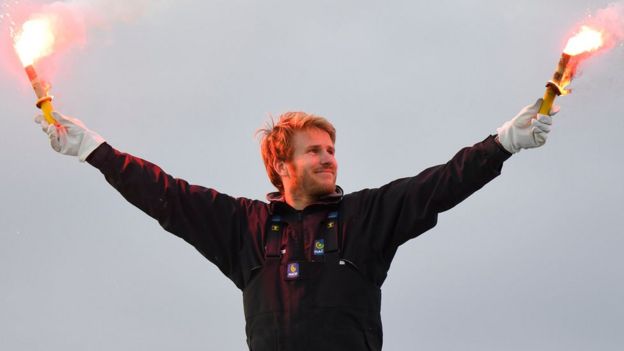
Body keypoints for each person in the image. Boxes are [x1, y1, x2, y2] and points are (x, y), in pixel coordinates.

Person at [34, 99, 556, 350]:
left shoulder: (366, 217)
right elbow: (165, 194)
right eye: (314, 151)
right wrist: (90, 148)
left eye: (331, 150)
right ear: (282, 165)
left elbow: (441, 184)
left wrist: (503, 142)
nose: (329, 159)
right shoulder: (245, 227)